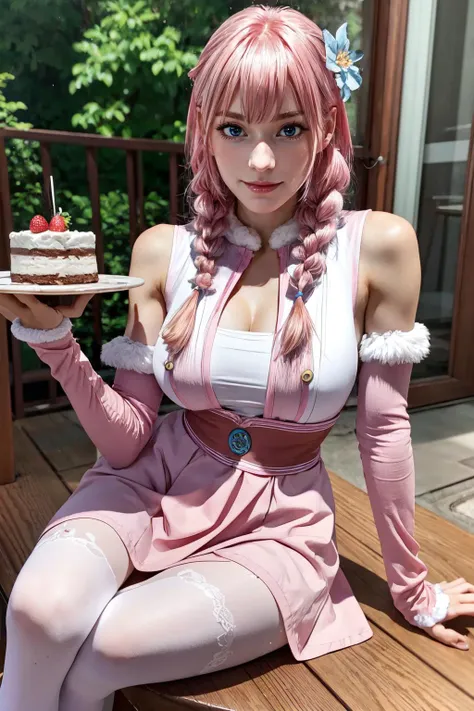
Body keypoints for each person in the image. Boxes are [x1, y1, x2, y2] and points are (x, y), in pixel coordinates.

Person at [0, 5, 472, 711]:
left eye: (289, 128)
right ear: (203, 134)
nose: (261, 160)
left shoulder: (378, 245)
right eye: (234, 128)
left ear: (326, 128)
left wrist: (410, 586)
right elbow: (129, 437)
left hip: (281, 521)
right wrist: (53, 343)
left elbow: (382, 431)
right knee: (37, 614)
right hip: (151, 480)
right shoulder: (163, 250)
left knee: (108, 647)